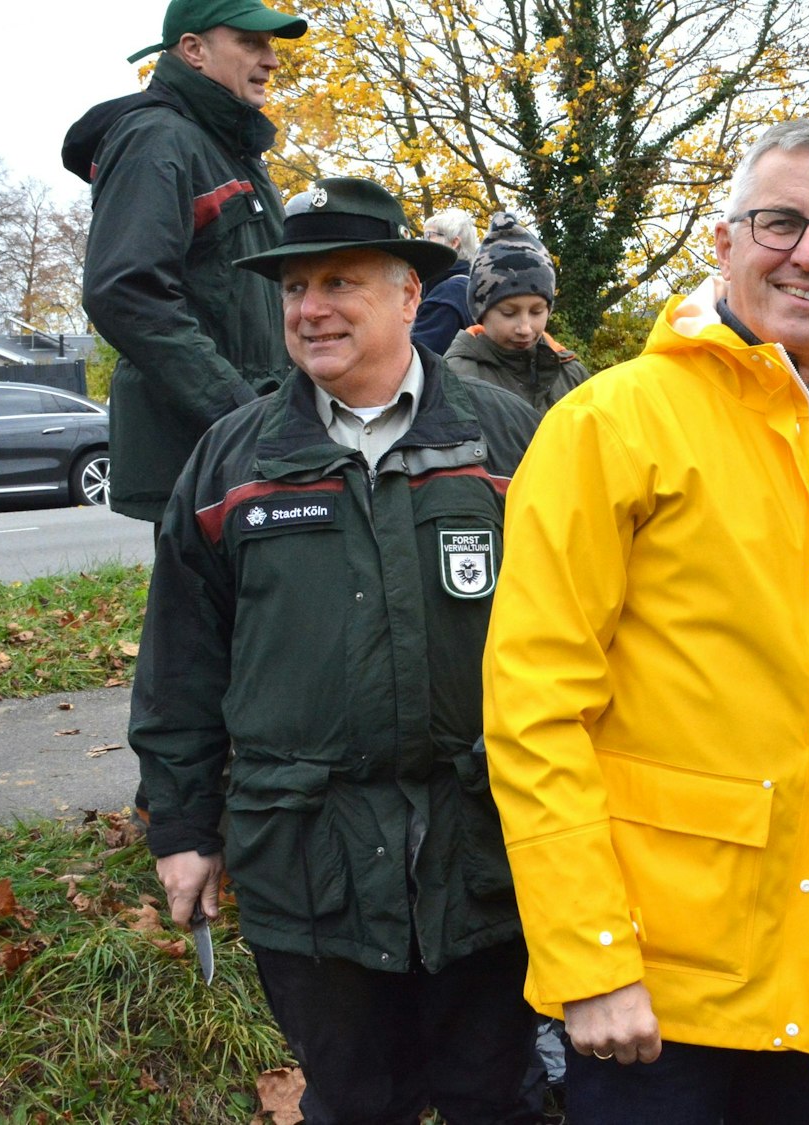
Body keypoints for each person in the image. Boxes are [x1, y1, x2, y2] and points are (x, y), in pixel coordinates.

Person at [482, 120, 809, 1124]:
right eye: (780, 222)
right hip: (656, 988)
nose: (808, 255)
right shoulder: (609, 427)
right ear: (723, 240)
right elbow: (533, 712)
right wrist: (589, 954)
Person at [131, 177, 545, 1125]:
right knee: (356, 1104)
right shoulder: (232, 462)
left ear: (409, 294)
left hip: (488, 853)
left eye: (339, 282)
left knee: (499, 1099)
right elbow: (181, 664)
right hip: (306, 861)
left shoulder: (514, 444)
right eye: (293, 290)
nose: (311, 309)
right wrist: (184, 828)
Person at [68, 0, 308, 523]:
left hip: (249, 445)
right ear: (193, 50)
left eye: (269, 44)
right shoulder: (157, 140)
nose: (271, 59)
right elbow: (125, 292)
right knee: (205, 606)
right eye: (251, 43)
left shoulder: (227, 147)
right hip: (204, 455)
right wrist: (239, 414)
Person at [440, 213, 589, 412]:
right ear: (481, 311)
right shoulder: (456, 376)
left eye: (537, 311)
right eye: (509, 313)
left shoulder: (571, 373)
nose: (525, 328)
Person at [410, 208, 480, 355]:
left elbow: (417, 357)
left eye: (430, 235)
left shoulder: (448, 294)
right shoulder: (472, 285)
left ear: (454, 242)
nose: (424, 242)